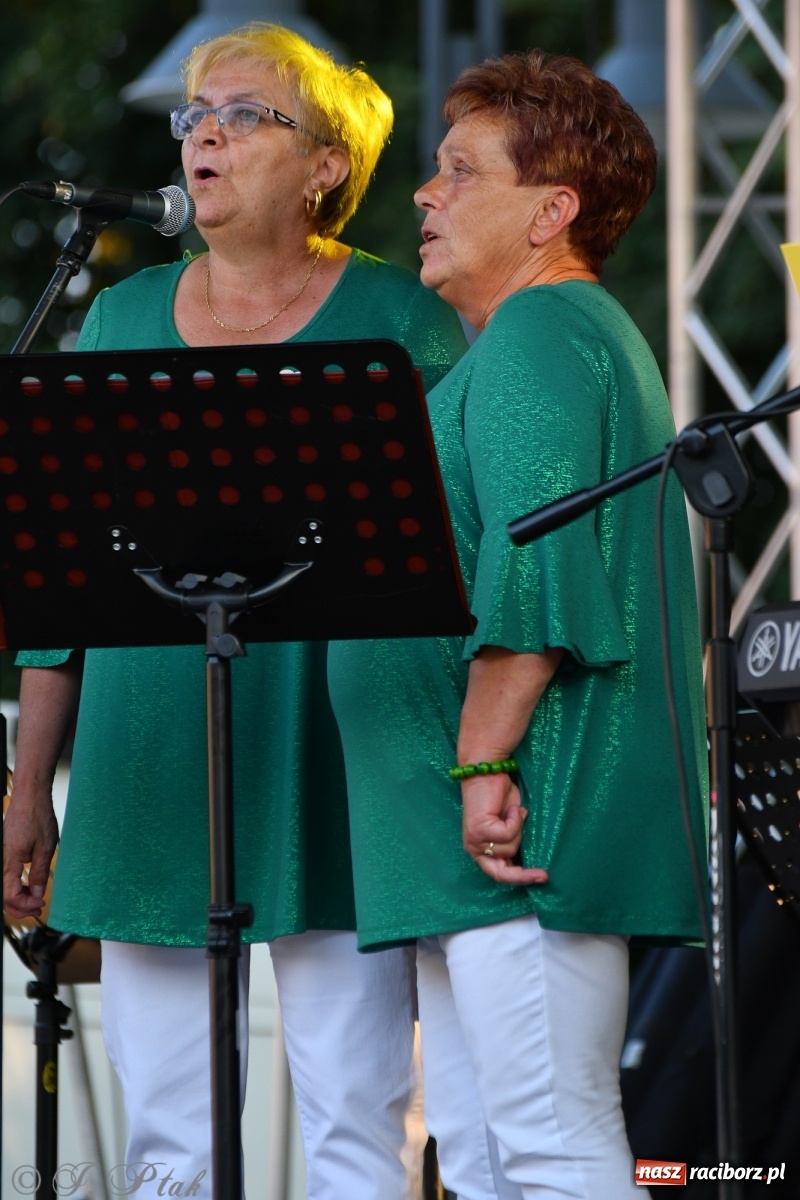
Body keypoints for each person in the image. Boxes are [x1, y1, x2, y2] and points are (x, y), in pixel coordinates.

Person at [2, 24, 468, 1199]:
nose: (205, 130)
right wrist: (26, 788)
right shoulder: (116, 317)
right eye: (195, 114)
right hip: (147, 762)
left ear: (324, 166)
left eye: (246, 112)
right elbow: (60, 589)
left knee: (356, 1127)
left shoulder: (403, 322)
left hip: (336, 762)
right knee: (166, 1149)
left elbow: (456, 568)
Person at [327, 49, 709, 1200]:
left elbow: (532, 557)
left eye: (457, 172)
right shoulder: (541, 338)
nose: (422, 196)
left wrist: (484, 754)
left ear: (552, 211)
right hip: (479, 836)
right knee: (494, 1160)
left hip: (520, 815)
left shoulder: (545, 332)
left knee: (550, 1146)